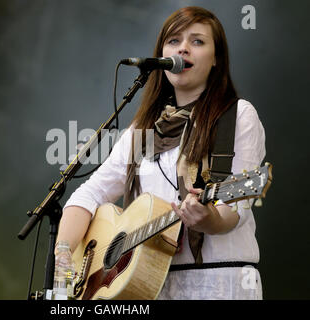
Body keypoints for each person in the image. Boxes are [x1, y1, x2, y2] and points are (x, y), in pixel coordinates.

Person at [54, 6, 266, 300]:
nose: (183, 49)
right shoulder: (142, 130)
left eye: (197, 41)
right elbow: (90, 193)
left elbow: (237, 211)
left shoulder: (236, 115)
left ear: (216, 58)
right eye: (174, 41)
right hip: (145, 287)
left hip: (220, 282)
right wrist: (64, 254)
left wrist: (207, 219)